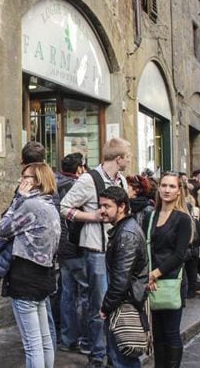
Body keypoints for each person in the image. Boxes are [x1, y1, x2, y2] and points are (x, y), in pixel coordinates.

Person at [60, 138, 131, 367]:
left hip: (117, 250)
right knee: (98, 304)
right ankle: (98, 355)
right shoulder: (89, 179)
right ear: (119, 158)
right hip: (96, 251)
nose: (129, 159)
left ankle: (114, 353)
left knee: (116, 302)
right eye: (128, 156)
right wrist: (91, 217)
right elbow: (64, 207)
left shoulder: (121, 180)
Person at [0, 162, 61, 368]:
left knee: (32, 344)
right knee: (44, 340)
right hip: (43, 275)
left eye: (25, 177)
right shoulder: (50, 204)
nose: (20, 181)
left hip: (25, 277)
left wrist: (17, 199)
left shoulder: (30, 205)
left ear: (37, 181)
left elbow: (2, 228)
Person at [98, 186, 148, 368]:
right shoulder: (124, 230)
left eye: (106, 206)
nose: (102, 210)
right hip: (124, 301)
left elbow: (121, 279)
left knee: (123, 357)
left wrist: (106, 306)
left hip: (125, 304)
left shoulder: (126, 234)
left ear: (121, 207)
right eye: (101, 206)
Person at [146, 173, 192, 368]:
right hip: (151, 283)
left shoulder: (182, 219)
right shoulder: (150, 216)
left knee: (171, 332)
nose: (166, 190)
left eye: (172, 186)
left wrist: (155, 273)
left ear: (179, 191)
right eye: (163, 185)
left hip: (172, 279)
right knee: (157, 334)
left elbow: (179, 254)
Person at [55, 153, 90, 355]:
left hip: (61, 249)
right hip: (75, 247)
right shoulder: (77, 186)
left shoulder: (54, 183)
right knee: (84, 294)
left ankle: (67, 339)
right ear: (79, 169)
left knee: (67, 293)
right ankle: (84, 340)